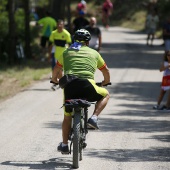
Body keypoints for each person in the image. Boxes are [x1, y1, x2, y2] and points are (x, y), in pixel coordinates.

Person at [51, 29, 110, 153]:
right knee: (105, 95)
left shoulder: (66, 52)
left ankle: (65, 145)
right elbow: (106, 71)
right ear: (88, 42)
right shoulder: (94, 53)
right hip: (87, 85)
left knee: (67, 117)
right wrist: (105, 82)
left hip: (69, 86)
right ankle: (94, 117)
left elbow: (56, 68)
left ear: (74, 40)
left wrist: (54, 80)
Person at [49, 19, 72, 90]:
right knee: (57, 69)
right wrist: (49, 54)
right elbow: (50, 44)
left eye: (61, 24)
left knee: (63, 70)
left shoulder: (66, 34)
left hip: (64, 54)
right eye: (58, 24)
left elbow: (70, 44)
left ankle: (61, 83)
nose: (59, 26)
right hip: (56, 53)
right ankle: (60, 83)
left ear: (63, 25)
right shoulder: (53, 33)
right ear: (57, 25)